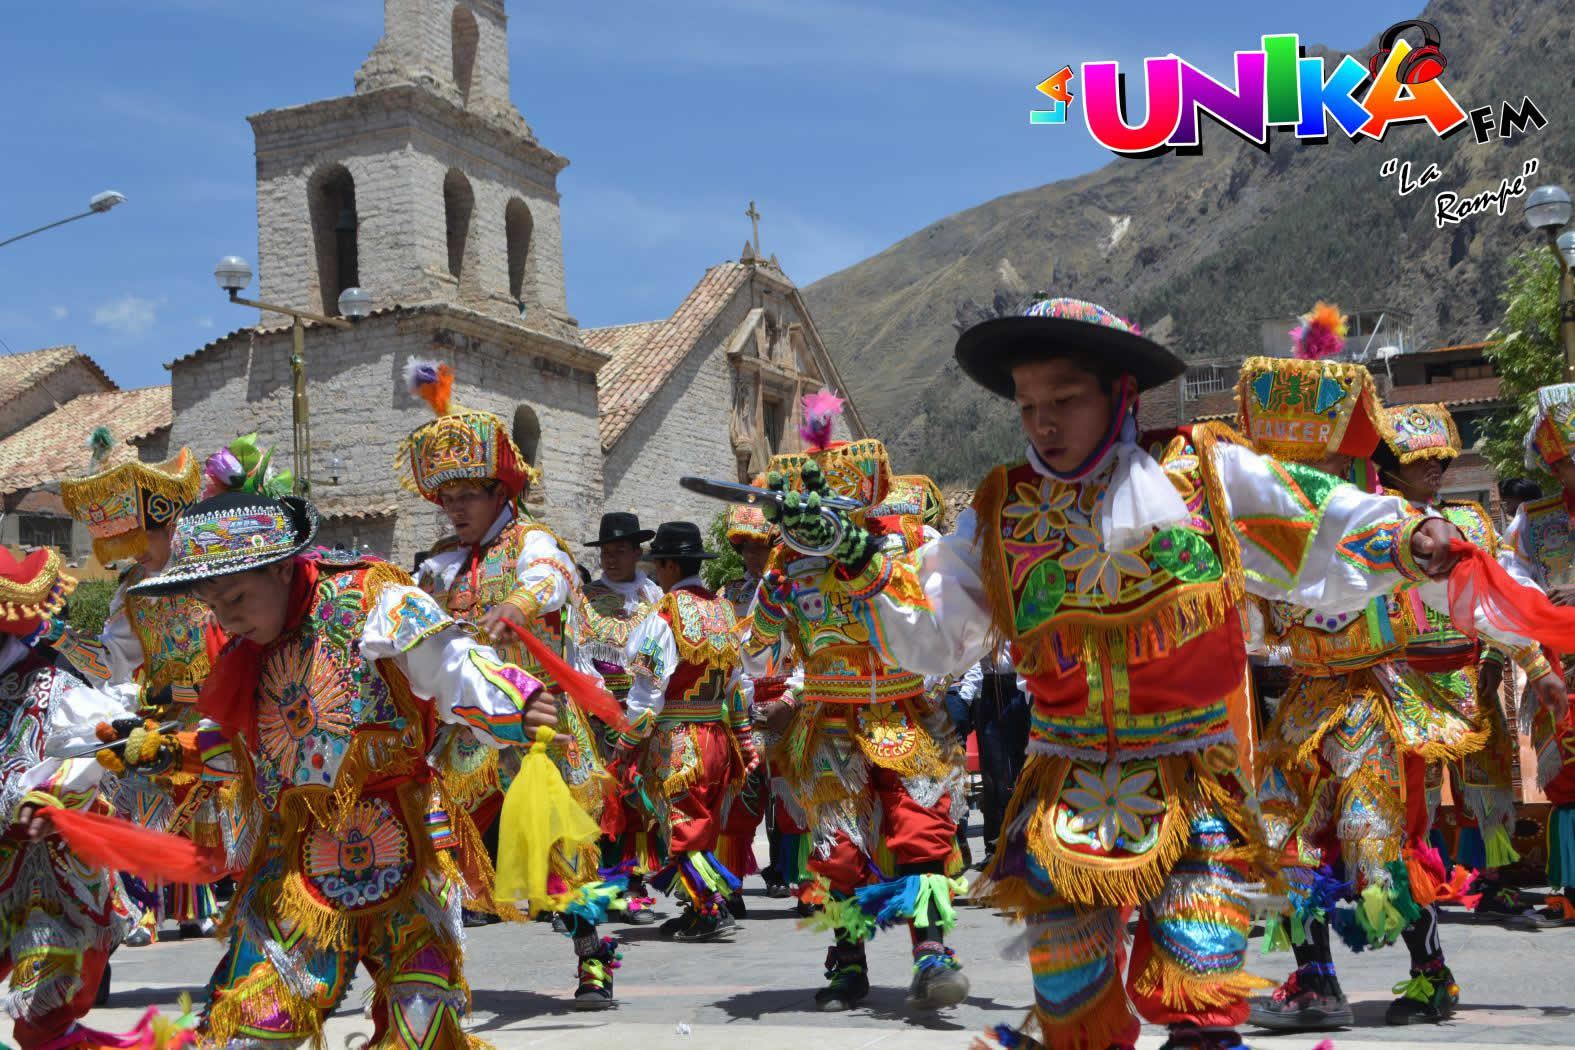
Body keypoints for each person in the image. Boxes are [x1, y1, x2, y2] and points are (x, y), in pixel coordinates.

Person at [767, 296, 1488, 1050]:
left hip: (1193, 780)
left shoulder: (1201, 474)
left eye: (1064, 399)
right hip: (1065, 795)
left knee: (1200, 996)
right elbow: (938, 638)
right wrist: (859, 560)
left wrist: (1409, 537)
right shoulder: (1004, 508)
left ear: (1122, 394)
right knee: (1073, 1010)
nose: (1044, 423)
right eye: (1028, 406)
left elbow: (1314, 521)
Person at [114, 489, 565, 1045]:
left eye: (236, 597)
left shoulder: (370, 597)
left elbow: (451, 660)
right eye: (214, 605)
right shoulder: (243, 655)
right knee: (255, 1024)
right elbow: (247, 751)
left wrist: (513, 700)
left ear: (282, 569)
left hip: (406, 846)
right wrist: (168, 752)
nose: (227, 618)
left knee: (421, 1024)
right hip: (296, 863)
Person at [1236, 329, 1564, 1031]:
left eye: (1317, 460)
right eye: (1292, 462)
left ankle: (1431, 976)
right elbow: (1245, 621)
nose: (1304, 474)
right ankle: (1315, 982)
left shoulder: (1378, 523)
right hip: (1302, 705)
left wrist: (1535, 661)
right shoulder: (1265, 538)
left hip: (1367, 702)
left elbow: (1462, 593)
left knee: (1374, 850)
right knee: (1283, 841)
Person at [397, 359, 622, 1008]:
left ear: (500, 493)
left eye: (466, 495)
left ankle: (592, 959)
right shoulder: (440, 564)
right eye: (447, 497)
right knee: (433, 838)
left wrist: (519, 604)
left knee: (561, 847)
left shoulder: (532, 542)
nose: (454, 508)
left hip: (539, 722)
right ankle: (433, 966)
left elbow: (552, 579)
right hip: (466, 728)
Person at [745, 394, 971, 1015]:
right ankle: (847, 958)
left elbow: (941, 625)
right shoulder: (785, 567)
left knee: (922, 834)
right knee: (836, 849)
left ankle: (931, 952)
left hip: (904, 713)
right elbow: (756, 652)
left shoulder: (908, 544)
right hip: (829, 724)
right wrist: (772, 608)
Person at [1374, 403, 1546, 927]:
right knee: (1415, 791)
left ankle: (1488, 880)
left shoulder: (1470, 520)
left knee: (1486, 784)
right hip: (1406, 680)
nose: (1434, 467)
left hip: (1471, 673)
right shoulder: (1379, 524)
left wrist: (1494, 657)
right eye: (1419, 459)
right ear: (1392, 466)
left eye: (1440, 459)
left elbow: (1497, 595)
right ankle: (1419, 882)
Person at [56, 430, 222, 945]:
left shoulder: (212, 575)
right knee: (139, 791)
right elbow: (115, 660)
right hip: (158, 713)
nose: (136, 553)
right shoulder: (132, 588)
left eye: (140, 540)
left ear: (171, 526)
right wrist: (64, 638)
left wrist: (191, 696)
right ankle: (145, 906)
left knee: (202, 805)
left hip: (214, 710)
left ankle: (195, 903)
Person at [0, 546, 136, 1049]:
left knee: (42, 1023)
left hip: (53, 887)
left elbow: (100, 748)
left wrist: (50, 796)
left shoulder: (52, 689)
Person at [613, 521, 758, 941]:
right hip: (717, 738)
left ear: (671, 566)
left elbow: (648, 689)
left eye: (659, 564)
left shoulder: (666, 615)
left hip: (678, 741)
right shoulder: (723, 610)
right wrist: (745, 741)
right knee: (701, 824)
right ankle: (699, 908)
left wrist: (627, 742)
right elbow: (738, 686)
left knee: (681, 824)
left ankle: (709, 909)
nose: (657, 573)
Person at [1505, 383, 1575, 921]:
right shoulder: (1535, 517)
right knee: (1568, 778)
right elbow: (1516, 582)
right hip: (1560, 662)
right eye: (1565, 461)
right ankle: (1571, 886)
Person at [575, 511, 663, 922]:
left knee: (638, 800)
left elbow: (664, 651)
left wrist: (644, 706)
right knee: (600, 799)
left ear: (637, 552)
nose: (611, 559)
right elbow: (578, 654)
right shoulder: (586, 599)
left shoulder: (654, 597)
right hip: (600, 714)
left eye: (620, 551)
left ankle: (632, 882)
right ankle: (599, 884)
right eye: (606, 552)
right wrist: (602, 703)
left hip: (644, 714)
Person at [955, 647, 1029, 865]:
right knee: (992, 770)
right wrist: (966, 698)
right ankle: (994, 842)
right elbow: (973, 653)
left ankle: (1026, 837)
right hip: (990, 688)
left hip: (1021, 686)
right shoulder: (984, 624)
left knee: (1024, 765)